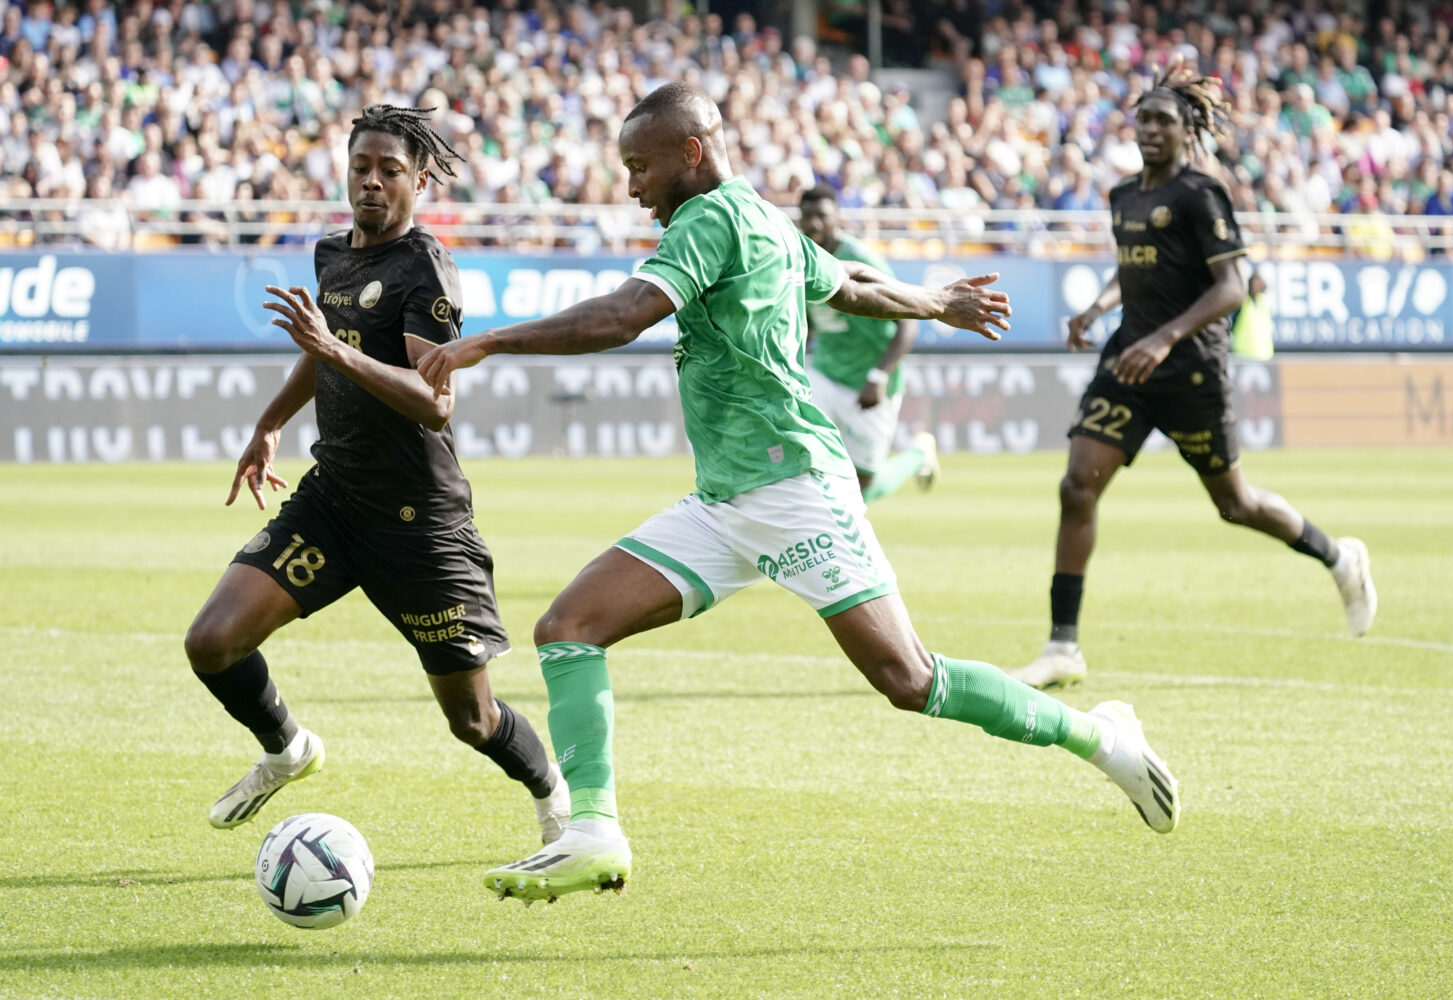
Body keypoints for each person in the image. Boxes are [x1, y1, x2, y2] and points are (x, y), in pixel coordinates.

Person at [417, 83, 1182, 905]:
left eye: (640, 166)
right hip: (724, 501)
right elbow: (849, 284)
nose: (632, 185)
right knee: (568, 628)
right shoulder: (767, 221)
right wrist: (932, 300)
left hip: (795, 487)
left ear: (691, 155)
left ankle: (1105, 739)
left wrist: (486, 342)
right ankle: (594, 831)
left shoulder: (707, 220)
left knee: (908, 679)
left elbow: (622, 315)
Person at [183, 105, 570, 844]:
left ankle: (553, 797)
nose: (372, 181)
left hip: (418, 524)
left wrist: (336, 353)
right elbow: (323, 347)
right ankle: (287, 750)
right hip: (334, 502)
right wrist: (270, 423)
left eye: (390, 170)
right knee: (213, 641)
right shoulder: (333, 254)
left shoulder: (426, 269)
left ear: (419, 181)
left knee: (473, 720)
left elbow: (435, 402)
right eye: (362, 166)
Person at [1011, 68, 1377, 691]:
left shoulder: (1200, 195)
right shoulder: (1123, 194)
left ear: (1188, 131)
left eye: (1164, 121)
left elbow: (1232, 286)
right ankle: (1063, 646)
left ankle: (1339, 556)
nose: (1151, 130)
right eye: (1144, 119)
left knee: (1235, 505)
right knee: (1077, 487)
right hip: (1128, 364)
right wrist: (1100, 311)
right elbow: (1133, 270)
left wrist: (1163, 338)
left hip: (1191, 371)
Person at [797, 184, 939, 501]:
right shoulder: (801, 260)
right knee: (800, 459)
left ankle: (918, 454)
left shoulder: (860, 261)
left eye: (822, 216)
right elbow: (807, 322)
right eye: (807, 216)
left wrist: (878, 377)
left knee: (863, 489)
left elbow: (907, 322)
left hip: (870, 383)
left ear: (838, 219)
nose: (814, 224)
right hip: (825, 375)